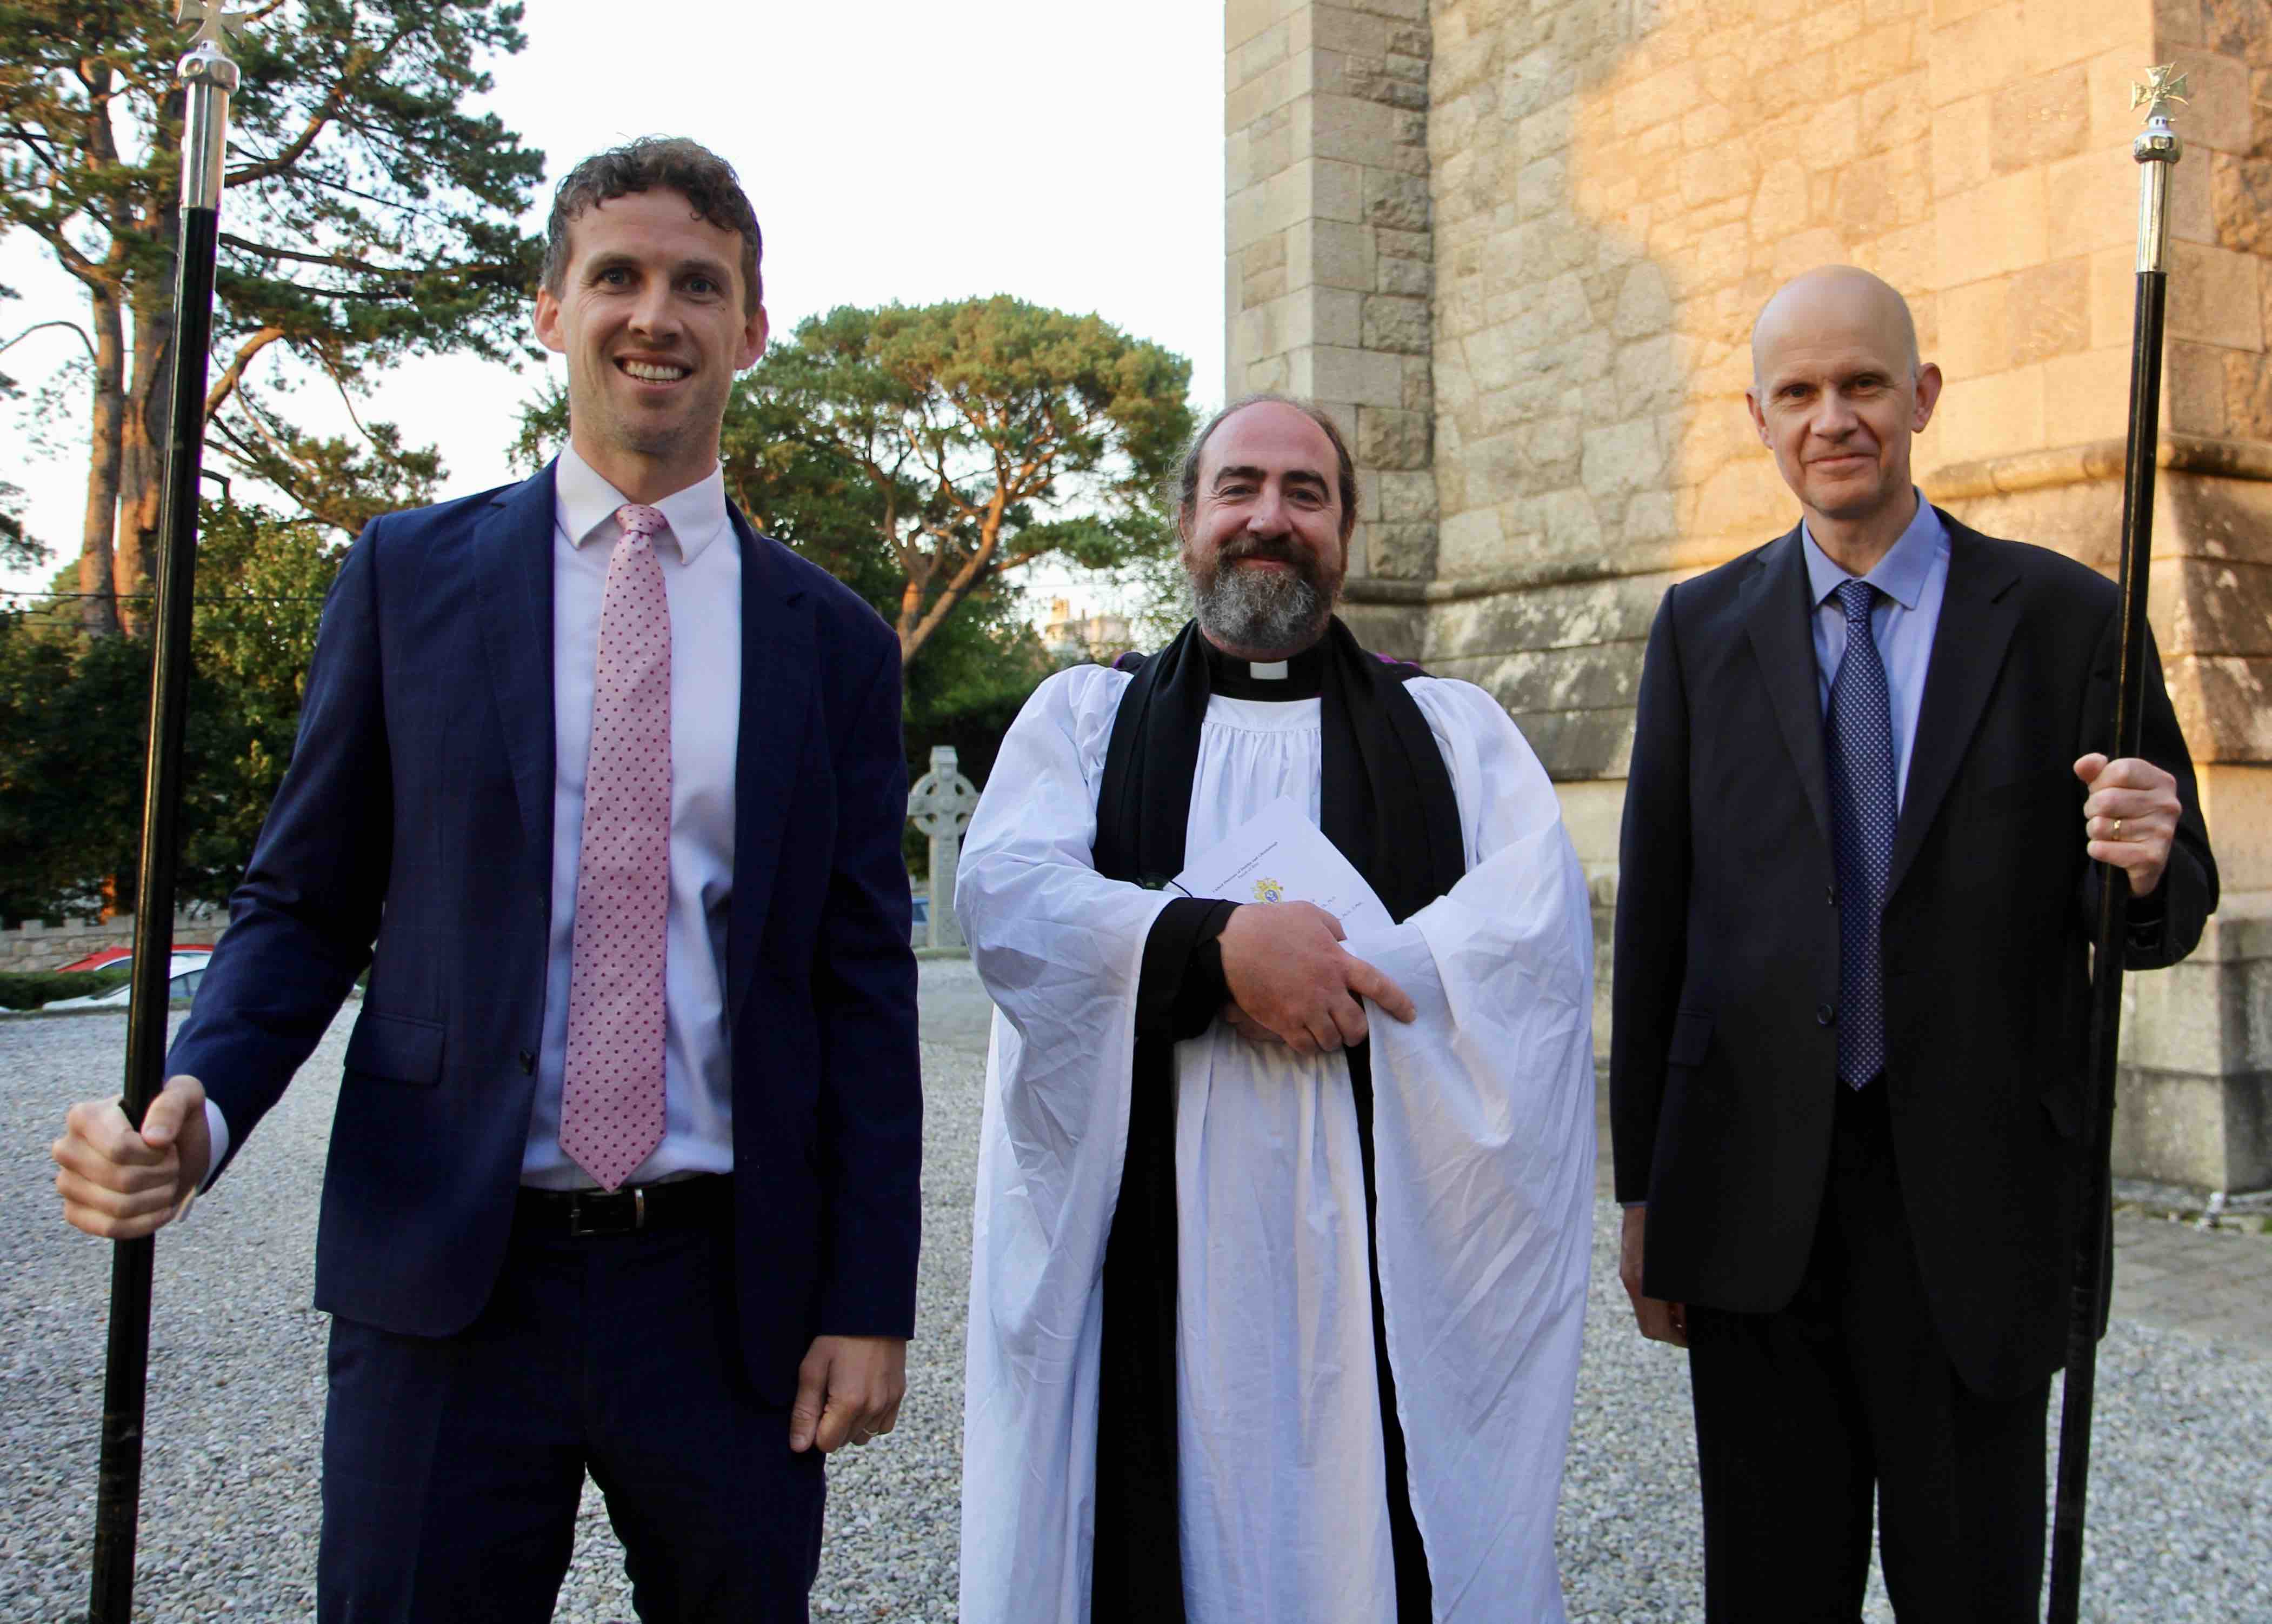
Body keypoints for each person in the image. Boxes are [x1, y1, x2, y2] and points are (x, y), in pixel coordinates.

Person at [48, 137, 922, 1623]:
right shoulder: (408, 576)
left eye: (698, 284)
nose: (658, 313)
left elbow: (859, 978)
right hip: (444, 1277)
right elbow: (305, 901)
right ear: (549, 309)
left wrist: (866, 1299)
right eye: (619, 276)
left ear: (750, 330)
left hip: (723, 1291)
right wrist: (197, 1098)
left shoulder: (827, 639)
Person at [1611, 265, 2218, 1621]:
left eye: (1863, 384)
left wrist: (2140, 855)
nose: (1833, 417)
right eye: (1799, 392)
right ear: (1760, 422)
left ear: (1920, 396)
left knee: (1971, 1593)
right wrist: (1641, 1191)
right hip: (1756, 1206)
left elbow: (2163, 902)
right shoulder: (1698, 631)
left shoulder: (2069, 619)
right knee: (1769, 1595)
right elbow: (1657, 925)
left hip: (1979, 1209)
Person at [956, 394, 1597, 1624]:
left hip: (1382, 1233)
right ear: (1186, 521)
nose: (1269, 517)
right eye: (1238, 487)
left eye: (1305, 493)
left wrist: (1352, 970)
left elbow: (1533, 934)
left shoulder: (1449, 733)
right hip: (1149, 1236)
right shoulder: (1085, 725)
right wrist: (1212, 948)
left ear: (1347, 528)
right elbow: (1010, 899)